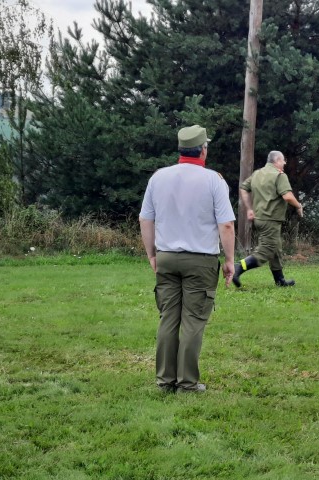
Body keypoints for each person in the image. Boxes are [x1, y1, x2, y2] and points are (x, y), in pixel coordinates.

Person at [139, 125, 235, 393]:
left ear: (180, 149)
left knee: (168, 318)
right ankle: (187, 383)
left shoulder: (158, 178)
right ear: (203, 149)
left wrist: (152, 254)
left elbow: (145, 219)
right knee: (193, 321)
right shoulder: (214, 180)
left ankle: (164, 381)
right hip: (201, 260)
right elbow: (226, 225)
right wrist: (229, 259)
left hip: (167, 257)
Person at [232, 150, 303, 288]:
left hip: (260, 218)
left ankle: (280, 280)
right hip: (271, 219)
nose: (284, 163)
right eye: (283, 160)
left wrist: (249, 209)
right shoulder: (279, 175)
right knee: (266, 250)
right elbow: (287, 196)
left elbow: (243, 188)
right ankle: (238, 267)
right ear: (277, 161)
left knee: (275, 249)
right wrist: (299, 206)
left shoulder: (257, 173)